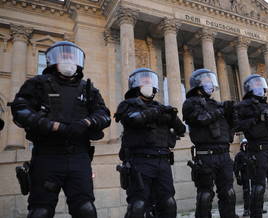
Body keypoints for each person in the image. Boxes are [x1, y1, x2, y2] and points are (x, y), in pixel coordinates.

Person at [9, 41, 111, 218]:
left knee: (85, 209)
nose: (68, 60)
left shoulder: (88, 89)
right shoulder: (38, 83)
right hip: (47, 156)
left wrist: (87, 122)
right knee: (40, 211)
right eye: (63, 57)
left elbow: (104, 115)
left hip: (79, 156)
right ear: (52, 61)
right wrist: (52, 126)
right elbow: (20, 110)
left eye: (71, 57)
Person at [114, 67, 185, 218]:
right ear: (135, 85)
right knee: (138, 206)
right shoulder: (128, 104)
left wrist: (172, 116)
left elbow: (181, 130)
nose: (148, 83)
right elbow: (133, 119)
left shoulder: (161, 107)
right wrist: (156, 113)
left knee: (168, 203)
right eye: (144, 81)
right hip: (139, 161)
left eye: (150, 81)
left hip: (163, 161)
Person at [182, 68, 238, 218]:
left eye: (210, 81)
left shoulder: (216, 104)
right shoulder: (190, 103)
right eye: (206, 81)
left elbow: (234, 127)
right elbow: (201, 119)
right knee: (205, 195)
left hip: (224, 154)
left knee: (228, 192)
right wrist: (221, 111)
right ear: (197, 85)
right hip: (205, 155)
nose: (210, 84)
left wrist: (232, 113)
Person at [233, 74, 268, 218]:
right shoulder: (243, 105)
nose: (260, 87)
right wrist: (256, 119)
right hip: (257, 150)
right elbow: (236, 126)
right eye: (256, 84)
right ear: (250, 88)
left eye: (260, 83)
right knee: (258, 187)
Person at [234, 139, 251, 216]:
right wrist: (238, 176)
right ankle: (246, 209)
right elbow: (236, 167)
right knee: (246, 193)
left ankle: (257, 208)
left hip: (253, 175)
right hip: (245, 176)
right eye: (243, 144)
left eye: (246, 144)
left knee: (255, 191)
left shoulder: (251, 153)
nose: (245, 146)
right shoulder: (239, 155)